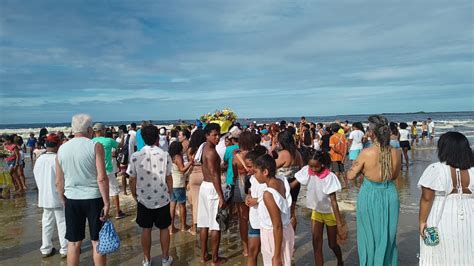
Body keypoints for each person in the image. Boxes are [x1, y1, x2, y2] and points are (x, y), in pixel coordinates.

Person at [56, 114, 110, 266]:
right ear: (88, 129)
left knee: (73, 243)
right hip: (94, 198)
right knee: (97, 241)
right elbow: (101, 177)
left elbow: (59, 181)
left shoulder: (62, 149)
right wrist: (107, 203)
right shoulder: (95, 145)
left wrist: (63, 199)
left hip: (72, 199)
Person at [347, 115, 401, 266]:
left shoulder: (366, 153)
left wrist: (362, 171)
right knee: (388, 235)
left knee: (368, 235)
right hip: (390, 193)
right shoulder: (396, 152)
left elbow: (350, 175)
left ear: (372, 133)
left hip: (370, 194)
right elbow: (395, 176)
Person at [418, 132, 473, 265]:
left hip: (442, 216)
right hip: (470, 216)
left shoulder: (436, 169)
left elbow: (426, 198)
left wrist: (421, 221)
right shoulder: (471, 170)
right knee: (467, 252)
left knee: (438, 254)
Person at [127, 125, 174, 266]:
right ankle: (165, 258)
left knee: (146, 229)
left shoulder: (136, 156)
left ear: (142, 138)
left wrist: (134, 194)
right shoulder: (165, 155)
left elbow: (131, 179)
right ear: (157, 138)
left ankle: (147, 259)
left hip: (143, 198)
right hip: (162, 198)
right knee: (164, 228)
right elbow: (169, 177)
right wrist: (169, 192)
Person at [292, 150, 346, 266]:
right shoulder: (308, 170)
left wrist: (339, 224)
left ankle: (340, 260)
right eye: (311, 166)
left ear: (322, 164)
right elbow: (293, 184)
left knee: (332, 244)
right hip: (316, 212)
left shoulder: (329, 177)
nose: (313, 169)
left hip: (329, 213)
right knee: (316, 244)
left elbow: (334, 202)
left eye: (315, 167)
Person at [254, 154, 294, 266]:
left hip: (273, 236)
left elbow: (277, 225)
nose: (255, 176)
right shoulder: (281, 180)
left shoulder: (268, 194)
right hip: (286, 232)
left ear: (265, 172)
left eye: (256, 172)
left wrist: (276, 256)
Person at [33, 134, 67, 258]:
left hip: (44, 195)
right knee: (62, 222)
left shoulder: (39, 159)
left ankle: (46, 248)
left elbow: (37, 177)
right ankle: (65, 248)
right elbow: (62, 179)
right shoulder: (57, 159)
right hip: (58, 195)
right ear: (58, 145)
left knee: (47, 223)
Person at [198, 123, 227, 265]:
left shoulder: (204, 147)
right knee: (216, 225)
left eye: (218, 134)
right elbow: (215, 175)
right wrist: (221, 196)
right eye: (214, 135)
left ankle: (204, 255)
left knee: (203, 224)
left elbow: (211, 169)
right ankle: (215, 258)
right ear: (207, 135)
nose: (217, 137)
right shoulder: (211, 152)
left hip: (204, 186)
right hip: (212, 188)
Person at [92, 123, 126, 219]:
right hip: (108, 170)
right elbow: (121, 145)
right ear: (103, 130)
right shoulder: (108, 140)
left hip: (96, 170)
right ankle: (118, 212)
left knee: (99, 192)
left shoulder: (91, 141)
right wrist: (122, 136)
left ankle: (102, 212)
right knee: (114, 191)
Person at [232, 131, 257, 257]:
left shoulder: (236, 157)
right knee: (256, 215)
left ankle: (246, 249)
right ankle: (257, 244)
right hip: (253, 185)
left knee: (243, 218)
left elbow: (235, 173)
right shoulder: (255, 155)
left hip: (240, 184)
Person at [244, 146, 268, 266]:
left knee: (268, 253)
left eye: (249, 166)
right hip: (254, 220)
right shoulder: (252, 178)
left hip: (266, 222)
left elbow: (273, 194)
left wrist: (257, 200)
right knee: (253, 251)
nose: (247, 169)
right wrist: (248, 197)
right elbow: (250, 191)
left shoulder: (266, 177)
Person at [275, 130, 303, 231]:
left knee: (280, 212)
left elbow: (271, 166)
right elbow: (301, 169)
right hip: (295, 183)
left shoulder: (283, 154)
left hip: (283, 185)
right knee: (292, 212)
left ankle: (283, 238)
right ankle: (292, 240)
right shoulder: (297, 153)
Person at [168, 141, 194, 234]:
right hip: (178, 184)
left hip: (172, 184)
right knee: (182, 205)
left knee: (172, 205)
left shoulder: (170, 157)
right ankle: (183, 226)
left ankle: (171, 227)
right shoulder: (178, 157)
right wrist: (190, 163)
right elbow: (182, 170)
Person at [187, 129, 206, 235]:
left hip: (193, 175)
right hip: (204, 175)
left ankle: (194, 228)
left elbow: (190, 162)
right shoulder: (205, 148)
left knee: (194, 202)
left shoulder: (191, 149)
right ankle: (205, 225)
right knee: (204, 202)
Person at [329, 123, 348, 188]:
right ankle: (346, 184)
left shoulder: (332, 137)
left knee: (336, 171)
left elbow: (334, 148)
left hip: (334, 156)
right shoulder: (343, 136)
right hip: (341, 157)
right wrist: (344, 155)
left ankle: (336, 185)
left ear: (331, 130)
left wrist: (340, 153)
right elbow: (346, 146)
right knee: (343, 171)